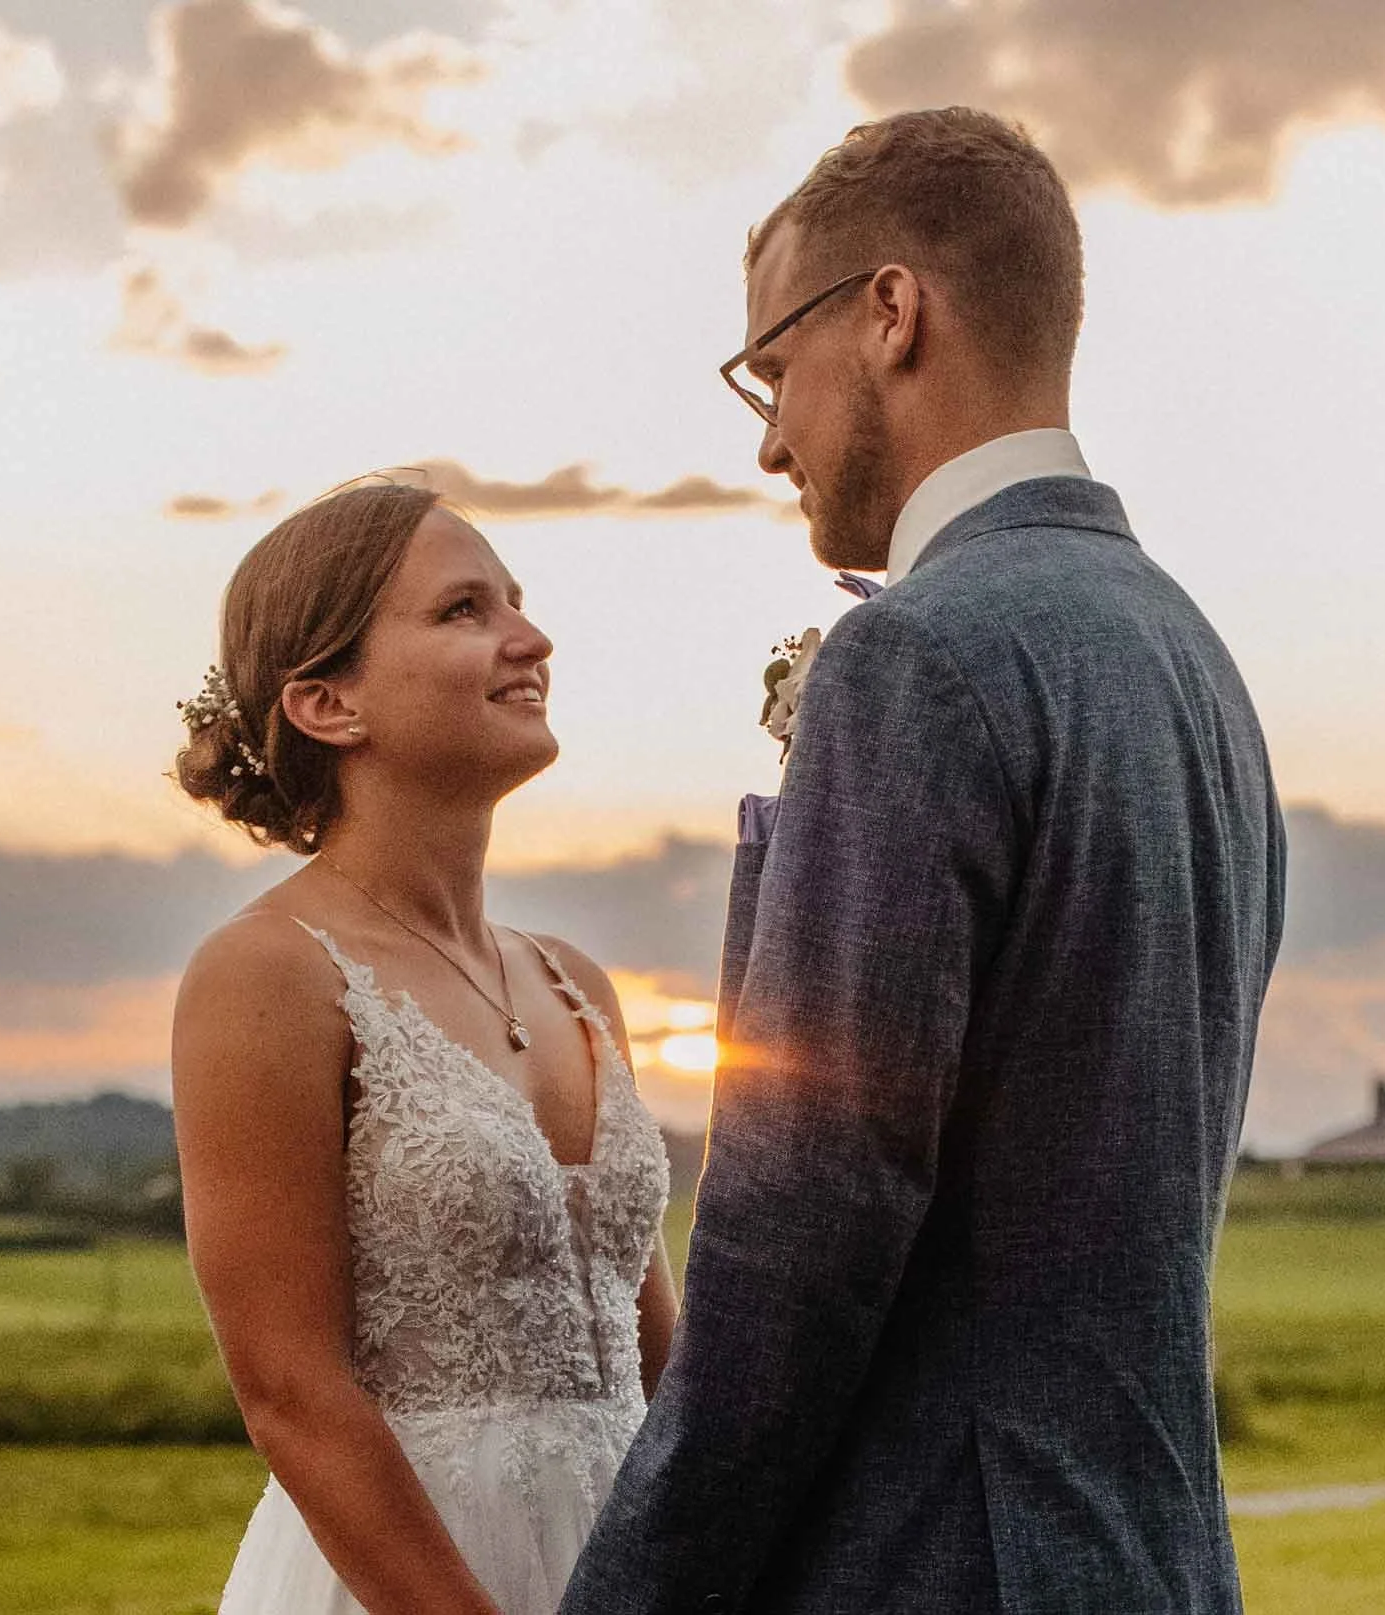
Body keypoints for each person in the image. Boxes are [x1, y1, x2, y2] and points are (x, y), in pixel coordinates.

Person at [562, 108, 1287, 1614]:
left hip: (940, 1561)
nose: (769, 438)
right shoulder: (1192, 657)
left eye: (771, 369)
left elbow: (804, 1221)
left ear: (891, 312)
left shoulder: (918, 656)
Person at [168, 479, 675, 1615]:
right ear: (328, 703)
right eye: (463, 610)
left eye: (516, 602)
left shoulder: (576, 984)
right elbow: (292, 1391)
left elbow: (660, 1363)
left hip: (626, 1569)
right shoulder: (269, 973)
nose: (530, 640)